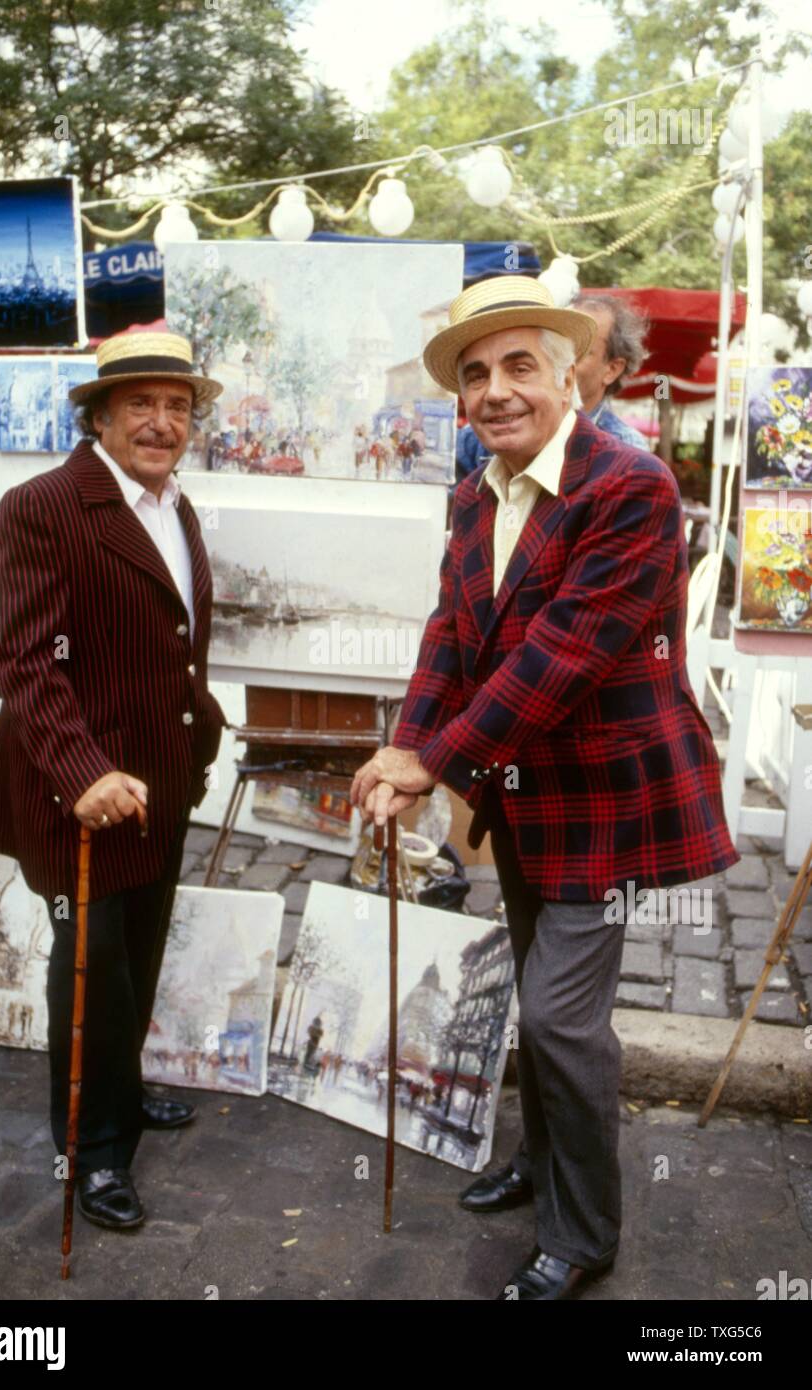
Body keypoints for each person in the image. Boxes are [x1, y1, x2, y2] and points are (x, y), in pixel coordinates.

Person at [350, 275, 738, 1302]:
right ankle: (542, 1156)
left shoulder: (630, 485)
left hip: (606, 796)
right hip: (519, 787)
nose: (494, 390)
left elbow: (560, 658)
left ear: (572, 374)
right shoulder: (474, 489)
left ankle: (583, 1232)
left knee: (561, 1017)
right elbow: (453, 634)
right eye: (474, 373)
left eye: (520, 365)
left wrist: (432, 762)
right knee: (535, 989)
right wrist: (404, 746)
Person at [0, 322, 226, 1232]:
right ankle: (91, 1152)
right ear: (99, 415)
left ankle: (122, 1090)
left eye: (177, 406)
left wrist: (199, 735)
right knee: (89, 968)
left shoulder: (176, 505)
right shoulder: (45, 505)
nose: (162, 423)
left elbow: (174, 641)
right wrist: (84, 771)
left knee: (139, 951)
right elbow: (27, 664)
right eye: (141, 405)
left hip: (161, 779)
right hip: (75, 788)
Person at [573, 292, 648, 448]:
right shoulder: (525, 428)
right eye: (559, 347)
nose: (562, 359)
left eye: (578, 350)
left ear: (612, 370)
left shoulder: (627, 447)